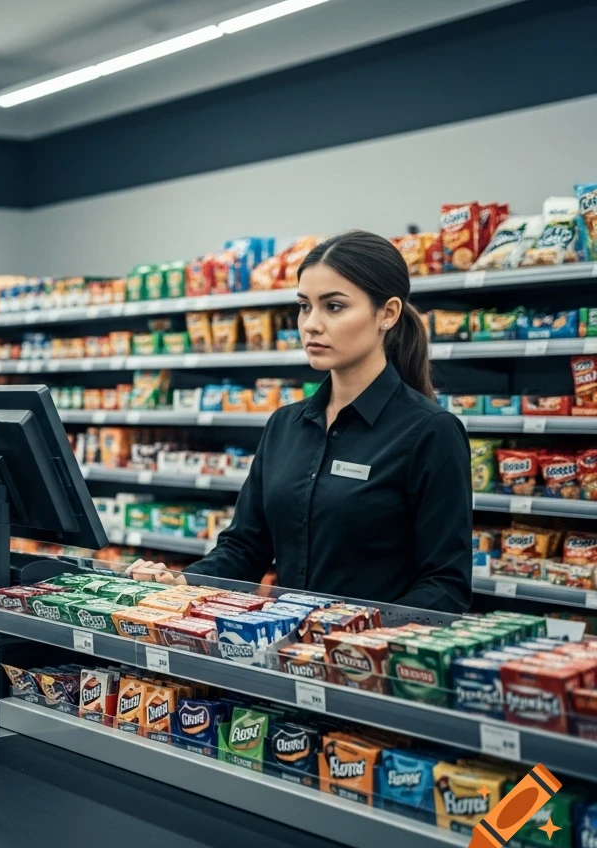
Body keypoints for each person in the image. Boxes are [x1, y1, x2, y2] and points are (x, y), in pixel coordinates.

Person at [129, 230, 471, 612]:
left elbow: (445, 586)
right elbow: (245, 548)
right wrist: (182, 584)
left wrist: (360, 638)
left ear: (387, 313)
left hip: (372, 662)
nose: (310, 324)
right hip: (287, 651)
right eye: (305, 306)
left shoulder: (430, 431)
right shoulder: (284, 425)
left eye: (334, 307)